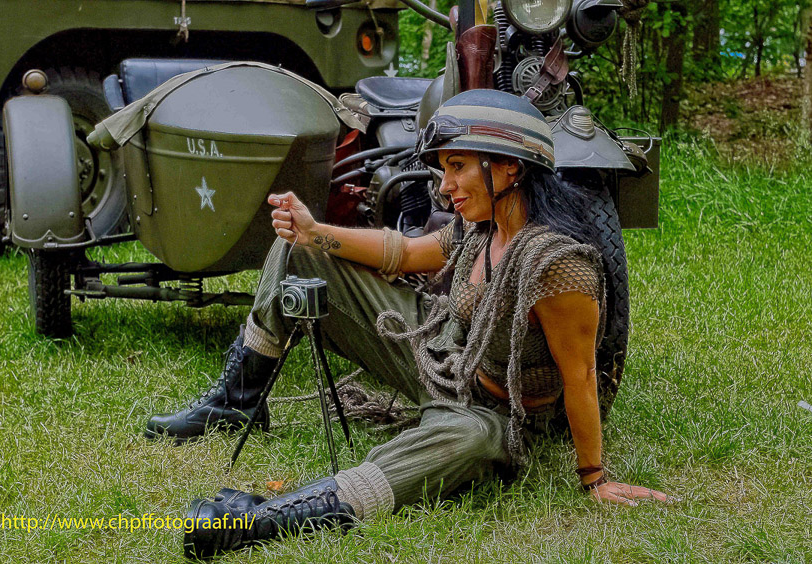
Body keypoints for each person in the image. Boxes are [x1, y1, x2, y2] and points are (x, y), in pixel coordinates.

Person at [145, 90, 668, 559]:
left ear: (511, 166)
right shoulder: (479, 227)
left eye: (458, 167)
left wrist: (594, 477)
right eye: (444, 169)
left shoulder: (557, 266)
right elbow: (407, 252)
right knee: (297, 252)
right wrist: (314, 231)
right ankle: (238, 400)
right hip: (443, 358)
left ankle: (258, 519)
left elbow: (581, 375)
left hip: (496, 415)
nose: (446, 186)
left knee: (466, 441)